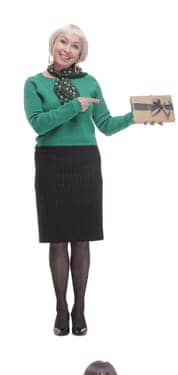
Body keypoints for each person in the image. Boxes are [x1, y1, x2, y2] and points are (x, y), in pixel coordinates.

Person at [24, 25, 146, 336]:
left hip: (85, 161)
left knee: (82, 237)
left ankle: (79, 308)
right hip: (51, 162)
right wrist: (74, 106)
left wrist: (136, 116)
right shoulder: (33, 83)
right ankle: (60, 307)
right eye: (63, 42)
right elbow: (39, 124)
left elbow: (105, 124)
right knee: (57, 238)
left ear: (81, 53)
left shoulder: (90, 82)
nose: (67, 48)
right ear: (53, 44)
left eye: (75, 45)